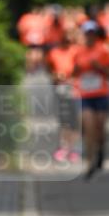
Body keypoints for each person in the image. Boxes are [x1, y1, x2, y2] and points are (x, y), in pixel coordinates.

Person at [72, 21, 109, 179]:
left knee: (100, 129)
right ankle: (89, 162)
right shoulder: (78, 51)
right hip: (84, 94)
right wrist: (77, 69)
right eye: (87, 33)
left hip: (101, 93)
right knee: (89, 127)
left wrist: (98, 67)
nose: (89, 36)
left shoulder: (103, 50)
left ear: (95, 35)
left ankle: (100, 150)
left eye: (92, 33)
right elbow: (74, 72)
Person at [46, 28, 80, 163]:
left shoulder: (77, 51)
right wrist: (55, 77)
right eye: (66, 37)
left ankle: (73, 148)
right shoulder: (54, 53)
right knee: (64, 120)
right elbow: (49, 69)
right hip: (60, 89)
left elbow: (81, 68)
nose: (68, 40)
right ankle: (64, 147)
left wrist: (73, 77)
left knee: (75, 121)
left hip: (76, 89)